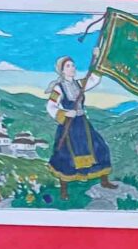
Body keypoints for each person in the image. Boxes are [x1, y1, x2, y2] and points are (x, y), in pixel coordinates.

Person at [46, 56, 116, 200]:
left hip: (82, 123)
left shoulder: (79, 84)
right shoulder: (58, 88)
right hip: (68, 125)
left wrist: (97, 58)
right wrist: (65, 113)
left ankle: (104, 181)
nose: (72, 68)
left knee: (100, 147)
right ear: (62, 70)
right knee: (66, 155)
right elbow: (50, 106)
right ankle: (64, 190)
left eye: (73, 65)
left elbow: (94, 79)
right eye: (68, 66)